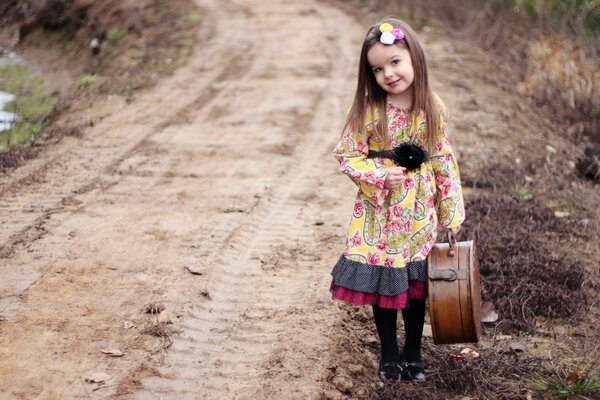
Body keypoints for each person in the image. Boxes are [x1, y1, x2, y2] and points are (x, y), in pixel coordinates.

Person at [330, 18, 465, 382]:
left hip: (419, 213)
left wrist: (451, 213)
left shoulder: (432, 107)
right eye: (377, 68)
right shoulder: (366, 110)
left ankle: (413, 354)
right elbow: (346, 155)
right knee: (384, 285)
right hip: (379, 214)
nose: (388, 74)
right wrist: (377, 175)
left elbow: (442, 159)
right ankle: (389, 353)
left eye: (395, 62)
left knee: (417, 288)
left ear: (414, 59)